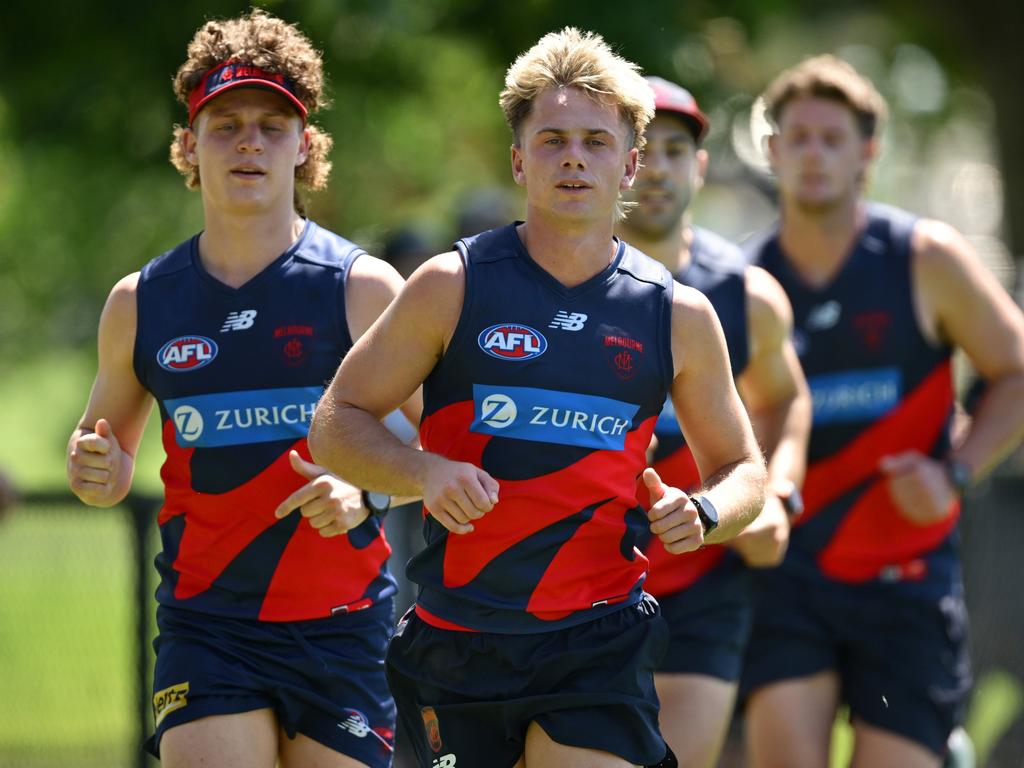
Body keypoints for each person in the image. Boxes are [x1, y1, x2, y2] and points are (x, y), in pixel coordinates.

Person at [308, 27, 767, 768]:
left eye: (595, 140)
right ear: (519, 160)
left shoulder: (675, 313)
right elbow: (335, 422)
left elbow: (744, 465)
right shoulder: (450, 286)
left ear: (631, 165)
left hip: (598, 641)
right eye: (552, 140)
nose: (575, 157)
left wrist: (706, 510)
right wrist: (424, 472)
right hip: (458, 641)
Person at [65, 10, 414, 768]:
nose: (249, 141)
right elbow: (106, 461)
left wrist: (370, 489)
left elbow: (447, 446)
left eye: (272, 124)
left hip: (342, 627)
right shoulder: (142, 301)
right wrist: (97, 473)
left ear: (306, 147)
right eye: (225, 125)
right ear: (189, 146)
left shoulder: (363, 287)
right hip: (207, 626)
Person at [742, 54, 1024, 768]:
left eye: (832, 138)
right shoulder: (742, 282)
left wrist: (954, 473)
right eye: (796, 137)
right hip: (788, 576)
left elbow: (1016, 373)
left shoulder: (924, 258)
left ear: (868, 152)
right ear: (771, 151)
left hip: (906, 573)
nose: (813, 154)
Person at [616, 77, 811, 768]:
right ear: (618, 161)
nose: (659, 168)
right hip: (578, 575)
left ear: (699, 166)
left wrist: (778, 494)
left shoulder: (745, 293)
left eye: (676, 150)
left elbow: (787, 399)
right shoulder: (560, 285)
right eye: (643, 149)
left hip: (704, 580)